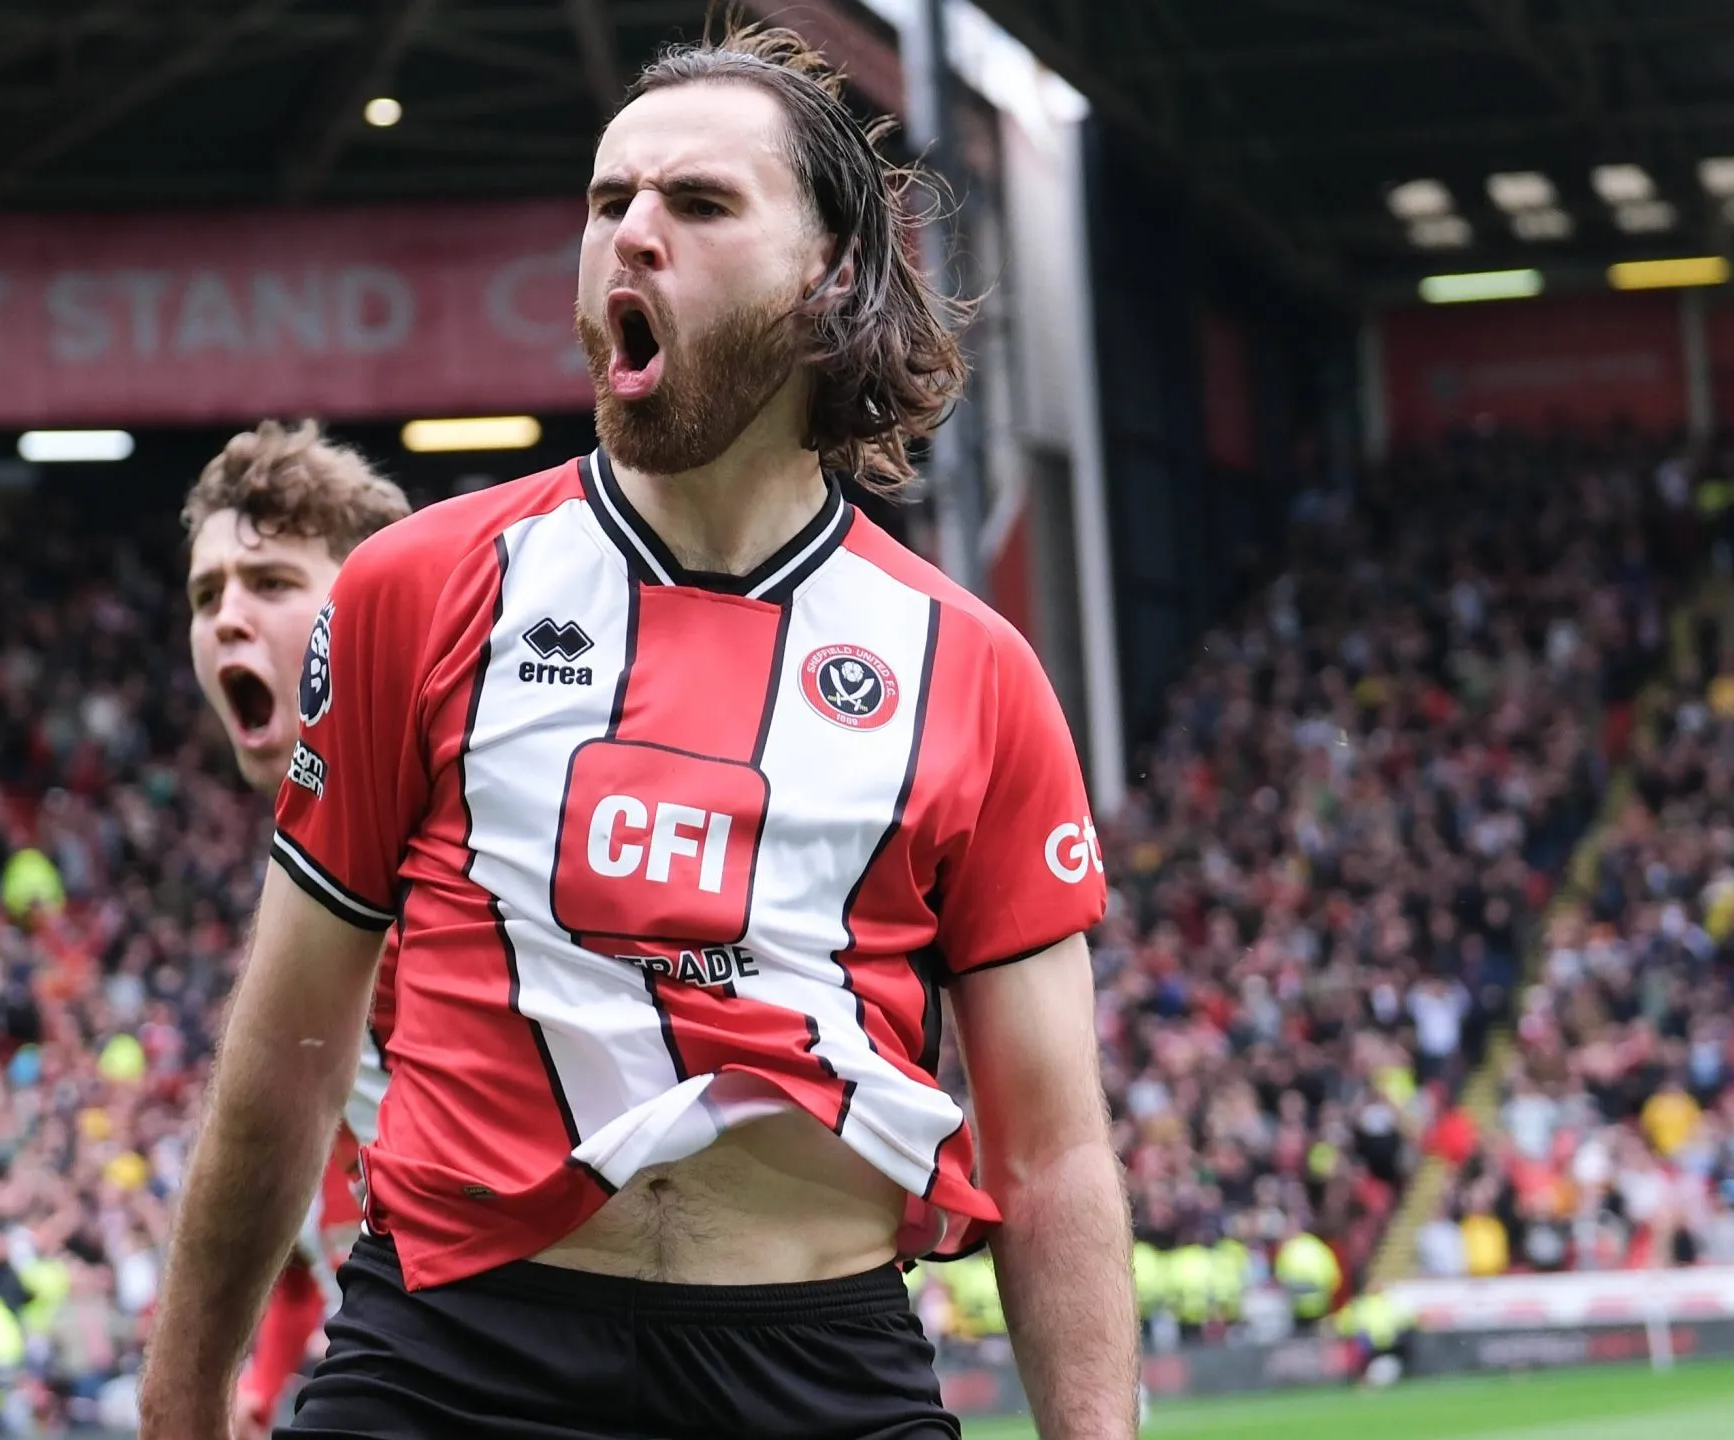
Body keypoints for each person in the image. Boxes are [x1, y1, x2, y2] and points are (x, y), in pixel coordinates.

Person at [140, 22, 1136, 1440]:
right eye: (610, 202)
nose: (632, 235)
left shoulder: (971, 670)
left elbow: (1052, 1157)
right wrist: (177, 1412)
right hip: (452, 1358)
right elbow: (283, 1065)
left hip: (819, 1370)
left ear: (831, 274)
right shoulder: (417, 591)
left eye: (700, 203)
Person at [181, 419, 411, 1435]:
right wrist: (261, 1387)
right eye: (205, 595)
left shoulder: (455, 860)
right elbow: (311, 1232)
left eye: (269, 584)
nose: (228, 616)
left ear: (375, 611)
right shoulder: (313, 868)